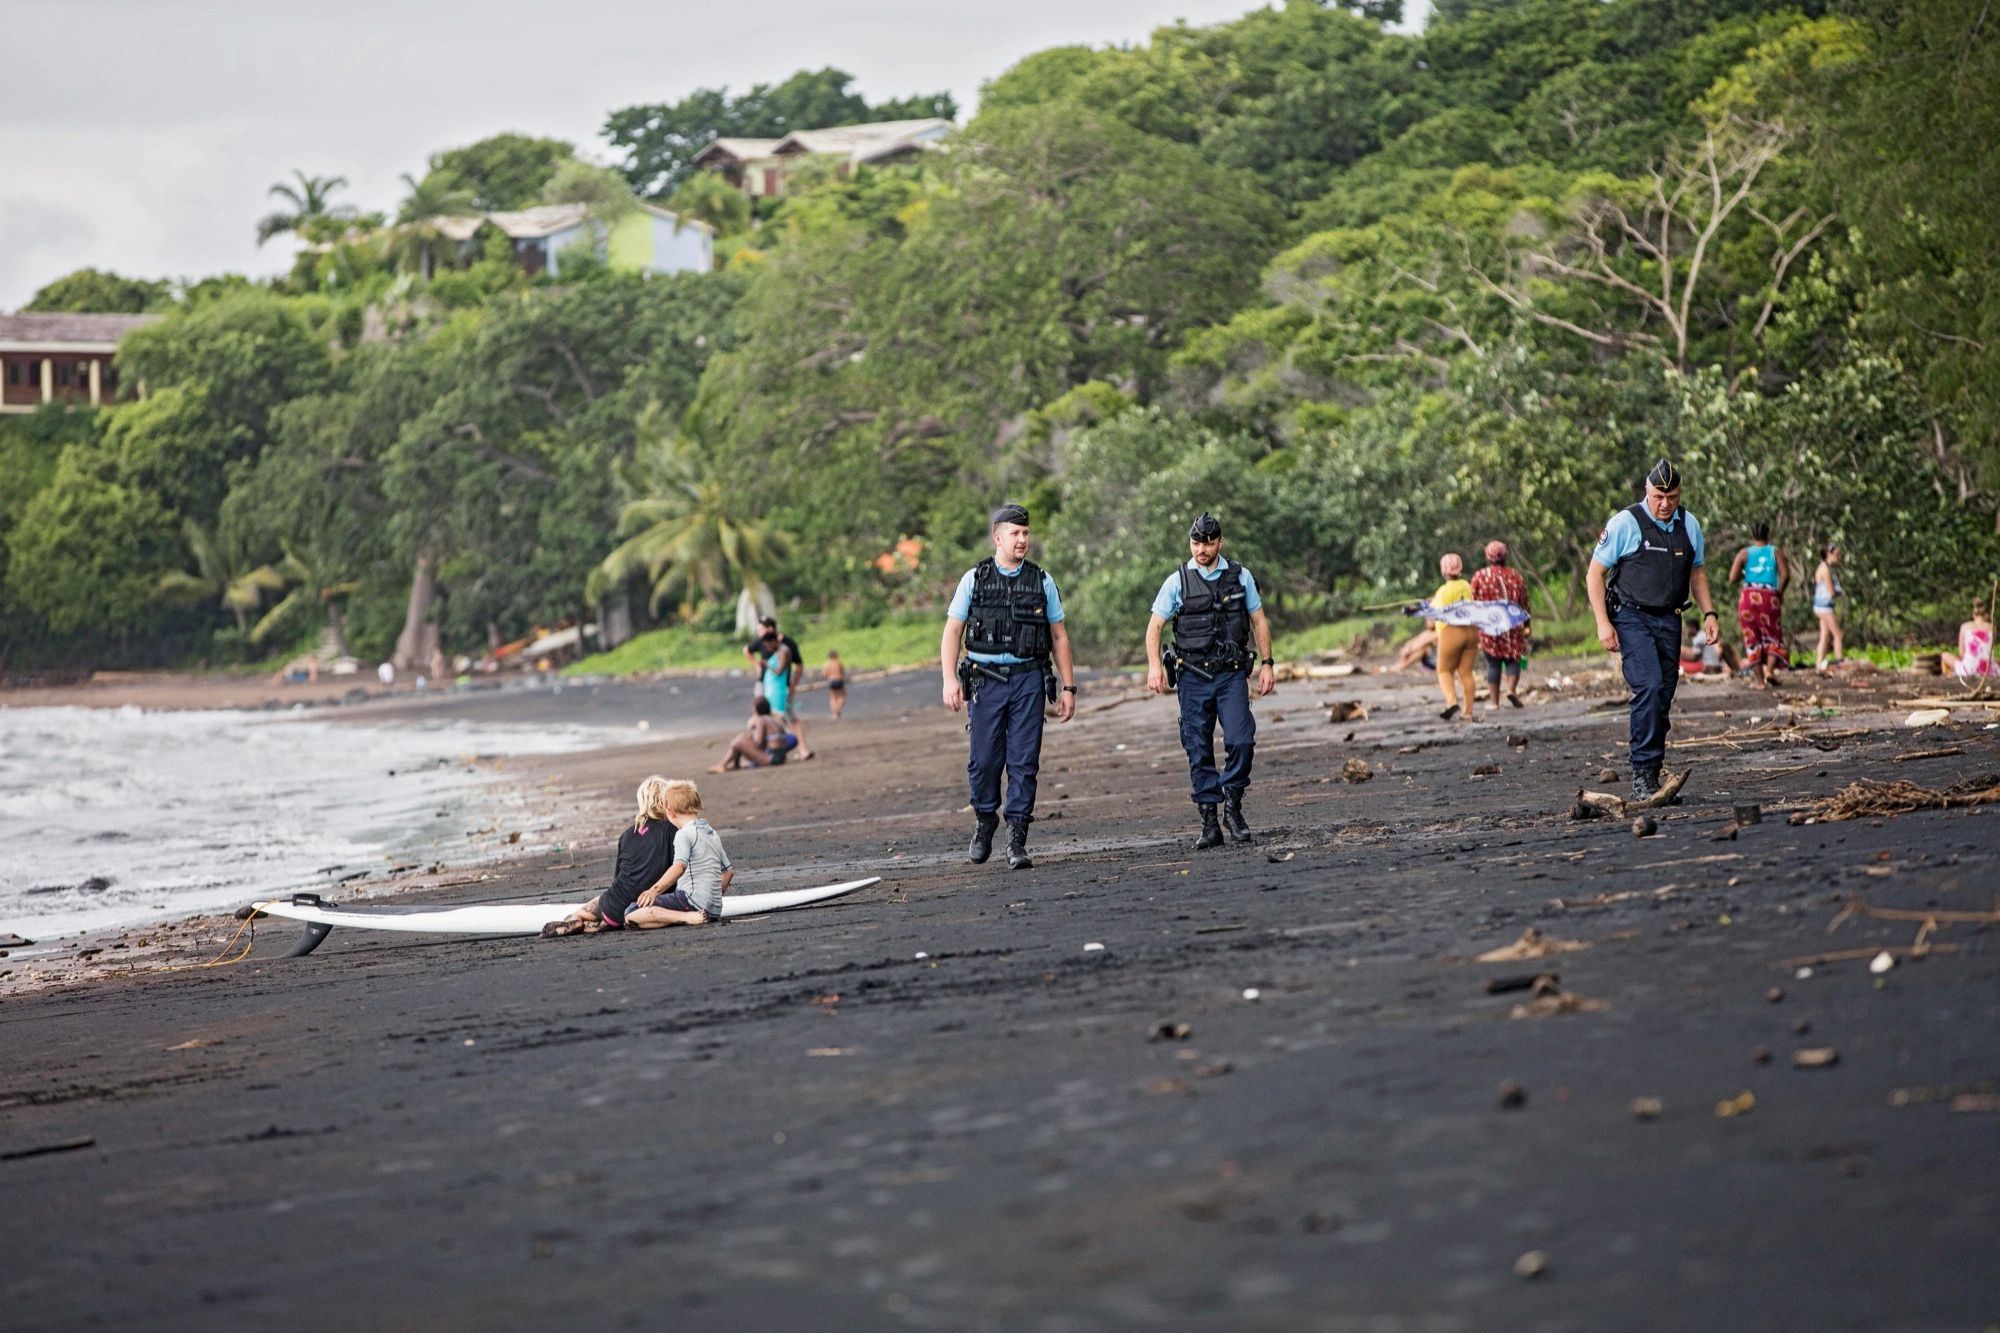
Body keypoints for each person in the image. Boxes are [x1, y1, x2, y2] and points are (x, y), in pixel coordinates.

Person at [941, 503, 1077, 870]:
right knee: (984, 762)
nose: (1022, 540)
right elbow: (953, 631)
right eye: (1015, 534)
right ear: (997, 537)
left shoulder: (1042, 581)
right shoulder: (976, 579)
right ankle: (986, 819)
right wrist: (949, 678)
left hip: (1029, 680)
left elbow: (1059, 636)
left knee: (1023, 762)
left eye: (1026, 533)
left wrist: (1069, 687)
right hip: (985, 682)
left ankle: (1016, 838)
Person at [1588, 459, 1719, 801]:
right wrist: (1603, 623)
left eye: (1672, 497)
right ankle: (1643, 773)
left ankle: (1654, 764)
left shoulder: (1689, 524)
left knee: (1663, 695)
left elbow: (1698, 574)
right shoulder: (1625, 523)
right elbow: (1594, 574)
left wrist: (1710, 613)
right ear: (1647, 491)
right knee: (1647, 686)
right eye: (1659, 496)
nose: (1665, 504)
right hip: (1631, 616)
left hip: (1670, 618)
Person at [1144, 512, 1277, 849]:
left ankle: (1232, 804)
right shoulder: (1177, 581)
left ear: (1220, 542)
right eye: (1196, 543)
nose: (1201, 549)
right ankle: (1209, 820)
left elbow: (1259, 621)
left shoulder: (1239, 576)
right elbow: (1155, 626)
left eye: (1208, 542)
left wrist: (1268, 664)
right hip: (1192, 676)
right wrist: (1153, 667)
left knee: (1241, 739)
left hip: (1230, 675)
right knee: (1197, 747)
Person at [541, 777, 722, 936]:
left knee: (596, 906)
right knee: (626, 910)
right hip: (644, 905)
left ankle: (578, 919)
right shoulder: (674, 831)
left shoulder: (628, 834)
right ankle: (592, 923)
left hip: (613, 902)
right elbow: (678, 871)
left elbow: (618, 876)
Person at [1727, 521, 1790, 688]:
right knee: (1773, 635)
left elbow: (1732, 578)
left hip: (1749, 597)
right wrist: (1779, 592)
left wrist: (1746, 573)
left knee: (1751, 637)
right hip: (1770, 597)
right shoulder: (1775, 552)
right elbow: (1785, 575)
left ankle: (1759, 681)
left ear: (1753, 535)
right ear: (1768, 534)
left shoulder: (1744, 553)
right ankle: (1769, 671)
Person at [1469, 540, 1530, 709]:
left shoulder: (1480, 576)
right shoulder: (1515, 576)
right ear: (1505, 556)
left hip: (1490, 627)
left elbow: (1472, 602)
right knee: (1513, 660)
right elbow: (1524, 602)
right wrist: (1527, 624)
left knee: (1493, 663)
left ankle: (1494, 703)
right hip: (1513, 624)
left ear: (1488, 557)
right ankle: (1511, 690)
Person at [746, 618, 812, 759]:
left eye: (761, 629)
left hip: (779, 689)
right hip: (764, 686)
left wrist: (793, 687)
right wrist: (757, 665)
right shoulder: (762, 641)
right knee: (761, 718)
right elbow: (746, 650)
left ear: (771, 630)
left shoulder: (786, 645)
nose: (759, 633)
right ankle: (764, 749)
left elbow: (798, 666)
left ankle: (800, 749)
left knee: (783, 718)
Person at [1430, 553, 1478, 721]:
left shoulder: (1442, 591)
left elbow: (1433, 618)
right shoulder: (1466, 585)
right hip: (1471, 631)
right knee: (1466, 672)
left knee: (1444, 670)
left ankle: (1451, 702)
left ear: (1444, 571)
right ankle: (1468, 712)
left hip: (1451, 631)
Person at [709, 697, 796, 772]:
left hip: (772, 758)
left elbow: (758, 742)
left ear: (756, 709)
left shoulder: (761, 720)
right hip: (781, 757)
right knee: (741, 739)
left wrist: (750, 732)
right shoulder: (774, 720)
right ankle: (733, 765)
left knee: (738, 742)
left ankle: (722, 765)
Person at [1941, 598, 1994, 678]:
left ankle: (1950, 676)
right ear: (1986, 615)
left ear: (1973, 614)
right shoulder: (1992, 628)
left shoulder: (1965, 626)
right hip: (1989, 670)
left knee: (1944, 655)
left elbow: (1961, 654)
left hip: (1969, 669)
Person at [1812, 544, 1845, 670]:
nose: (1839, 557)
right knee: (1838, 634)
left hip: (1823, 606)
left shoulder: (1828, 568)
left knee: (1825, 636)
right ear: (1829, 554)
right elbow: (1831, 591)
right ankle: (1839, 661)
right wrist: (1839, 592)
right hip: (1824, 607)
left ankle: (1819, 664)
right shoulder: (1824, 569)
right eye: (1837, 555)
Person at [823, 650, 847, 719]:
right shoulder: (838, 662)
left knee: (832, 697)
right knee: (842, 696)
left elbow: (825, 674)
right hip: (839, 680)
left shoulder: (827, 664)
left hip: (831, 681)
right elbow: (842, 671)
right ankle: (837, 710)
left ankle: (834, 713)